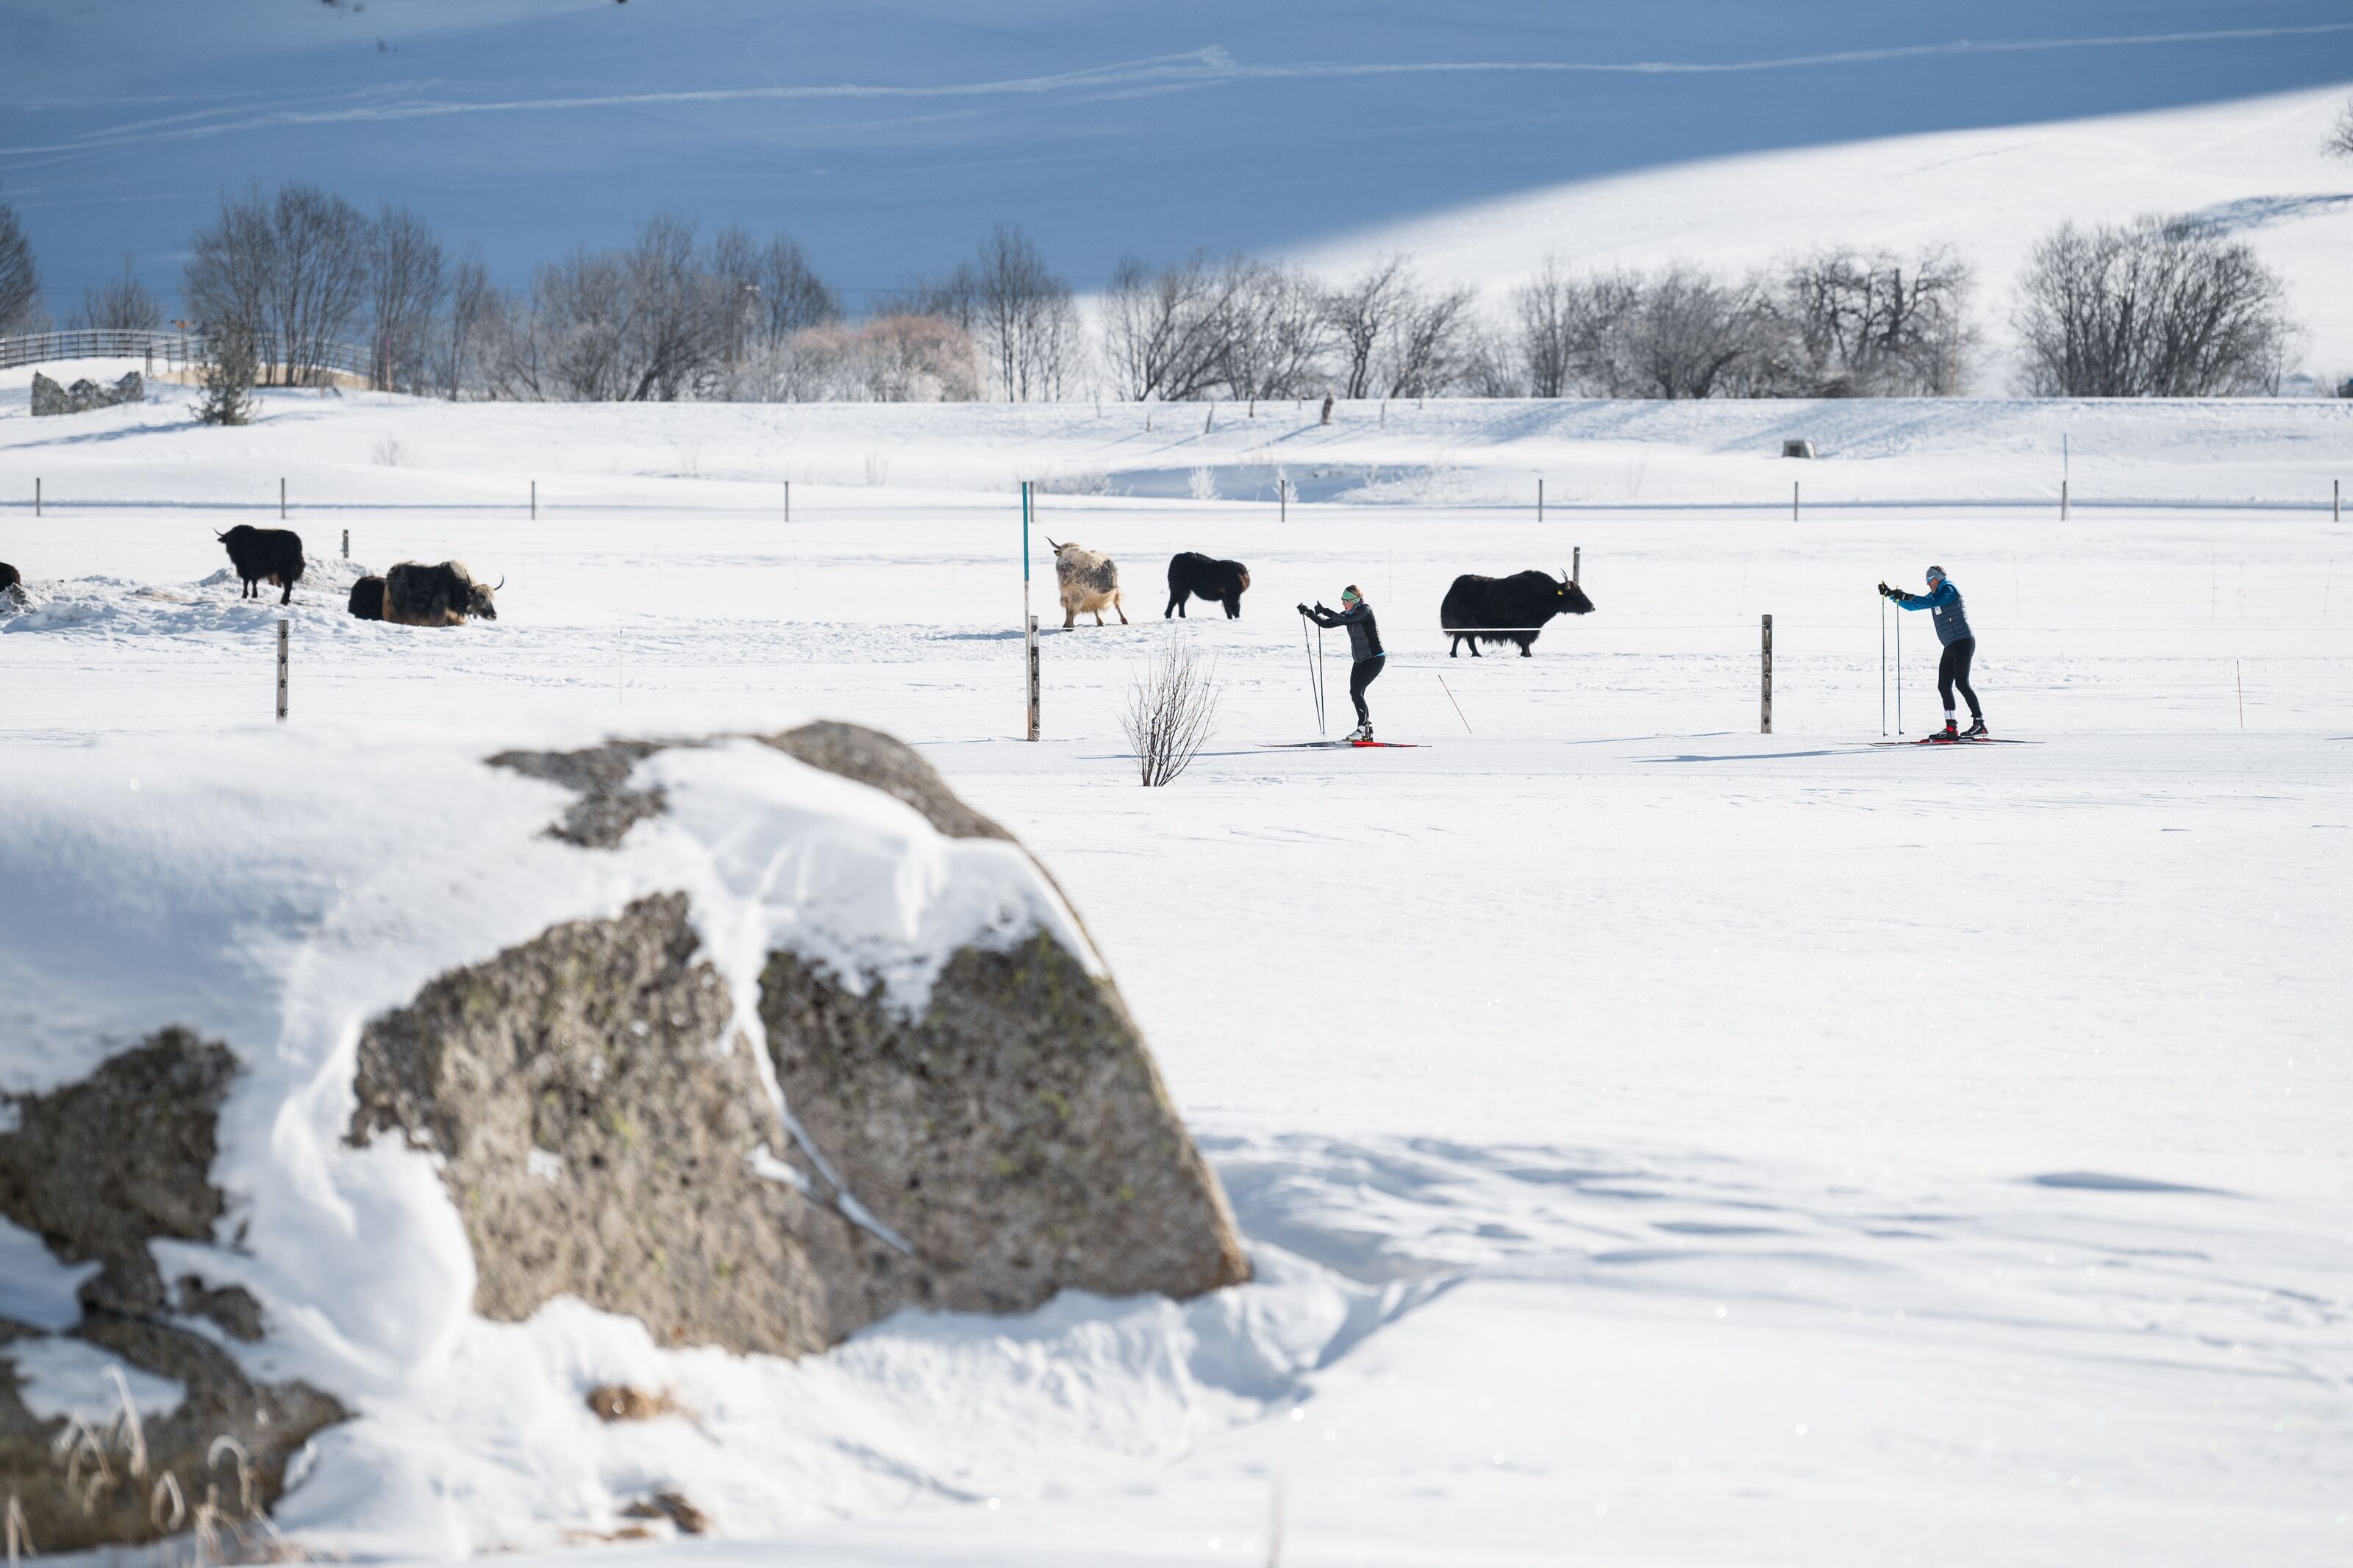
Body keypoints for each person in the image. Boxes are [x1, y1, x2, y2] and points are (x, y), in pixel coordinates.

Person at [1880, 565, 1985, 739]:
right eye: (1927, 581)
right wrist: (1893, 595)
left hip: (1963, 642)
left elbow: (1931, 602)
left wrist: (1907, 595)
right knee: (1943, 685)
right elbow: (1914, 606)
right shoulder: (1935, 594)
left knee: (1961, 683)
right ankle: (1951, 728)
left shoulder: (1949, 589)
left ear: (1938, 578)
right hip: (1950, 645)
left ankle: (1979, 724)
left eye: (1930, 581)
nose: (1928, 584)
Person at [1299, 585, 1385, 741]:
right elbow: (1327, 624)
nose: (1343, 604)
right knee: (1356, 692)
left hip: (1375, 658)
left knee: (1356, 691)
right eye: (1342, 600)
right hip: (1360, 660)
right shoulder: (1349, 612)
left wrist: (1325, 610)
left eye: (1346, 600)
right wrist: (1309, 613)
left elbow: (1348, 620)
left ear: (1355, 600)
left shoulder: (1365, 611)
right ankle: (1366, 730)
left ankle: (1363, 729)